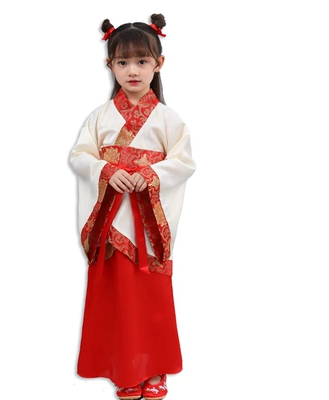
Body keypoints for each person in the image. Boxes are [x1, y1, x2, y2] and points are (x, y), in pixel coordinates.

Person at [69, 13, 196, 400]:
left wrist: (152, 174)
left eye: (142, 61)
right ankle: (124, 370)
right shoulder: (99, 117)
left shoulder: (168, 119)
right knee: (117, 300)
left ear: (159, 64)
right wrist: (106, 170)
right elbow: (80, 157)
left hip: (146, 219)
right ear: (110, 65)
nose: (133, 70)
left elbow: (183, 162)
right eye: (123, 62)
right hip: (112, 220)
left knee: (151, 298)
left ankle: (155, 369)